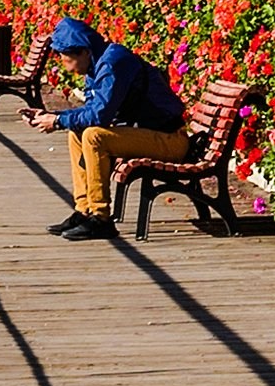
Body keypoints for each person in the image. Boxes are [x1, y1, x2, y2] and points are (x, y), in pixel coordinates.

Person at [39, 16, 196, 239]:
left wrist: (56, 121)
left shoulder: (113, 64)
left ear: (84, 51)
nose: (67, 68)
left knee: (94, 136)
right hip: (148, 133)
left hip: (169, 139)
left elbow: (100, 115)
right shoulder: (97, 63)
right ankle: (85, 209)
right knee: (77, 134)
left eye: (67, 60)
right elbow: (91, 111)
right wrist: (52, 116)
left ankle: (101, 218)